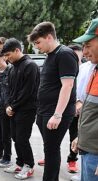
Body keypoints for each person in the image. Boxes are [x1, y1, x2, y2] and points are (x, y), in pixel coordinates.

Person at [25, 22, 78, 181]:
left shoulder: (64, 54)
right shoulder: (50, 55)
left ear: (49, 37)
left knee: (51, 149)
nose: (37, 47)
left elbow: (67, 85)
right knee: (51, 149)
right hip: (45, 111)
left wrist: (57, 114)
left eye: (38, 42)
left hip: (56, 113)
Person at [67, 18, 98, 181]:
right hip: (89, 144)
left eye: (88, 45)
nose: (84, 51)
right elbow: (89, 110)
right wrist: (80, 136)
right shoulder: (94, 70)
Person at [36, 44, 84, 174]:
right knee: (52, 145)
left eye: (78, 57)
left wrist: (78, 105)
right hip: (60, 107)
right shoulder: (61, 63)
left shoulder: (86, 68)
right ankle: (50, 170)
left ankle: (72, 161)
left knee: (74, 137)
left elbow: (75, 89)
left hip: (75, 108)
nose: (76, 60)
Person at [1, 38, 40, 180]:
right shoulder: (12, 68)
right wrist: (7, 105)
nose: (6, 58)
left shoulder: (30, 66)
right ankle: (19, 163)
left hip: (26, 109)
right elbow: (8, 89)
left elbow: (28, 91)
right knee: (15, 138)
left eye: (8, 55)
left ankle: (29, 165)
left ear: (17, 50)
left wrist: (13, 106)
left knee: (22, 138)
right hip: (13, 109)